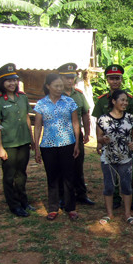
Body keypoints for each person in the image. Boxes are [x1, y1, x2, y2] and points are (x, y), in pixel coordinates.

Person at [33, 73, 80, 221]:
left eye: (61, 85)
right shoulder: (41, 104)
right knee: (52, 177)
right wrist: (36, 147)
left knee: (68, 176)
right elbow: (38, 126)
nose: (60, 88)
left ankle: (70, 207)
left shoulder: (69, 102)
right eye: (56, 86)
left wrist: (77, 143)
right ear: (48, 86)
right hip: (48, 145)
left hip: (67, 143)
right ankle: (53, 208)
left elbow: (75, 123)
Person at [92, 64, 133, 210]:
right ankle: (116, 199)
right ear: (107, 80)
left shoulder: (129, 99)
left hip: (126, 145)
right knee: (111, 173)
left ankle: (131, 198)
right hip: (109, 144)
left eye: (117, 78)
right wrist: (99, 143)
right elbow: (98, 123)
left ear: (121, 79)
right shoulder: (101, 101)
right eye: (112, 78)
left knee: (129, 172)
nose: (115, 81)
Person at [0, 63, 35, 217]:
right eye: (8, 81)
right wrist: (0, 148)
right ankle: (13, 205)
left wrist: (31, 139)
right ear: (2, 83)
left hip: (23, 141)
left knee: (22, 173)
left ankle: (24, 201)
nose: (12, 83)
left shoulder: (22, 97)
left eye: (14, 80)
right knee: (9, 175)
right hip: (8, 143)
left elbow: (27, 118)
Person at [96, 89, 133, 225]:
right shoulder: (102, 119)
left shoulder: (131, 118)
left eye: (126, 100)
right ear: (114, 101)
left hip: (126, 157)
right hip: (108, 158)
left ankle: (127, 214)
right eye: (122, 100)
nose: (125, 103)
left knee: (126, 186)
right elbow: (98, 138)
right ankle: (109, 214)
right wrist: (103, 140)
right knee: (109, 186)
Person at [58, 63, 94, 206]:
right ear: (60, 78)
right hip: (61, 138)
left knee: (78, 167)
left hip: (77, 137)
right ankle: (63, 196)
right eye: (66, 78)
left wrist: (87, 133)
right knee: (62, 168)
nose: (69, 81)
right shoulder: (55, 95)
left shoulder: (78, 95)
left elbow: (85, 113)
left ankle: (81, 194)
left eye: (72, 78)